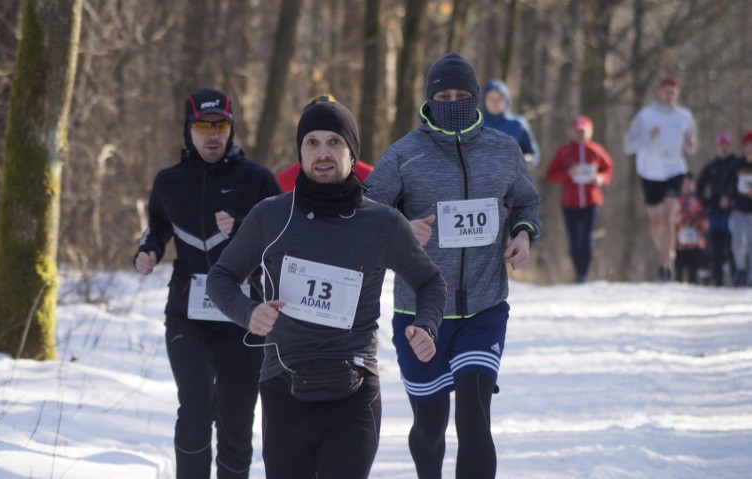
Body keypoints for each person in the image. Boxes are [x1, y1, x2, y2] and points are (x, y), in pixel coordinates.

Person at [206, 98, 447, 479]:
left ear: (352, 153)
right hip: (284, 385)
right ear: (300, 153)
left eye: (334, 142)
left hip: (354, 390)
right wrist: (248, 313)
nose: (323, 153)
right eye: (312, 143)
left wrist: (427, 324)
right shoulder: (270, 216)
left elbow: (430, 281)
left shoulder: (383, 223)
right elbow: (220, 277)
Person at [365, 52, 542, 479]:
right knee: (430, 426)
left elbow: (526, 201)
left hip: (484, 306)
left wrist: (522, 234)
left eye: (462, 95)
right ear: (429, 101)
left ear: (478, 97)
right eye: (443, 95)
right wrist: (403, 229)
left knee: (474, 415)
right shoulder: (405, 154)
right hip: (419, 312)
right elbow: (366, 212)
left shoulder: (503, 149)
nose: (453, 102)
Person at [133, 88, 281, 479]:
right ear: (189, 129)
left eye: (220, 126)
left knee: (235, 418)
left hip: (244, 314)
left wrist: (245, 228)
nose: (212, 135)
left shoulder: (258, 180)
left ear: (231, 128)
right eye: (202, 126)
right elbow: (159, 224)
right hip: (188, 313)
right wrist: (149, 248)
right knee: (196, 407)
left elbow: (284, 240)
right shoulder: (169, 181)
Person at [623, 75, 698, 281]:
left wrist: (691, 145)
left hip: (674, 170)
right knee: (655, 221)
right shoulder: (646, 116)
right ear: (659, 92)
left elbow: (692, 145)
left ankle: (665, 265)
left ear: (678, 94)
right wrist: (648, 138)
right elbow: (627, 145)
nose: (669, 95)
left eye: (672, 92)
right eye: (666, 91)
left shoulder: (684, 116)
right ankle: (665, 255)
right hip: (650, 172)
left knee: (668, 217)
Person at [545, 115, 614, 283]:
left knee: (588, 237)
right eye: (577, 131)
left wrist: (601, 179)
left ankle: (584, 271)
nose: (580, 134)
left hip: (591, 201)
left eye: (583, 131)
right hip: (570, 202)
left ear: (590, 132)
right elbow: (550, 175)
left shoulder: (596, 150)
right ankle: (578, 272)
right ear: (571, 132)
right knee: (574, 238)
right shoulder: (564, 152)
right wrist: (567, 174)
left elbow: (608, 169)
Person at [275, 95, 374, 192]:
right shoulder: (282, 181)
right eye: (313, 142)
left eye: (335, 142)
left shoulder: (371, 176)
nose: (323, 155)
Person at [697, 132, 739, 286]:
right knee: (716, 249)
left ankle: (736, 280)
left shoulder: (737, 164)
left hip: (734, 212)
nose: (724, 148)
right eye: (721, 145)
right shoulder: (711, 166)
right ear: (716, 147)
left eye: (726, 145)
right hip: (715, 214)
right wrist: (708, 203)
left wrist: (732, 199)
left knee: (734, 248)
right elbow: (700, 187)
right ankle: (717, 281)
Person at [481, 79, 541, 168]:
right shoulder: (475, 123)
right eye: (491, 98)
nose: (495, 102)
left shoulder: (518, 124)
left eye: (499, 98)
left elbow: (532, 154)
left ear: (506, 100)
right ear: (484, 100)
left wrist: (525, 160)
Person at [726, 130, 752, 286]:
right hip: (739, 210)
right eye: (747, 145)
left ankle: (750, 280)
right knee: (738, 243)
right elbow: (726, 184)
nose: (750, 148)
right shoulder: (737, 164)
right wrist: (726, 198)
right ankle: (741, 269)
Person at [674, 173, 709, 284]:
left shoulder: (697, 198)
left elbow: (702, 214)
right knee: (679, 265)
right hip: (680, 238)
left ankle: (693, 284)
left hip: (695, 238)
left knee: (693, 267)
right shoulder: (676, 198)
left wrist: (700, 227)